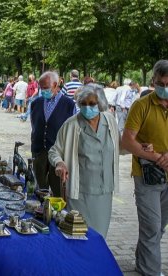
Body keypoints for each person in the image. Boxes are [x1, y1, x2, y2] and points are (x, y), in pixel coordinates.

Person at [48, 84, 120, 238]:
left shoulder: (110, 121)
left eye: (92, 104)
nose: (88, 108)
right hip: (80, 193)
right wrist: (59, 163)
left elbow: (119, 145)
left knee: (99, 236)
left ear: (100, 104)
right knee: (78, 235)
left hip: (104, 192)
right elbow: (54, 150)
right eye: (84, 104)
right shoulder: (72, 124)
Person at [121, 60, 168, 276]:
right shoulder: (141, 106)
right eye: (161, 83)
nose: (165, 88)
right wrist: (156, 156)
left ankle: (142, 261)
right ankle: (151, 271)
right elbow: (128, 141)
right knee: (151, 227)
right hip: (147, 175)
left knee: (158, 228)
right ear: (153, 81)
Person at [31, 71, 76, 197]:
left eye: (46, 88)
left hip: (58, 154)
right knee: (40, 189)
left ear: (55, 85)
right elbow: (34, 125)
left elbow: (72, 131)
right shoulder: (36, 103)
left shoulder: (68, 105)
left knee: (58, 191)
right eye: (41, 88)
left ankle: (57, 214)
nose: (43, 90)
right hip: (39, 152)